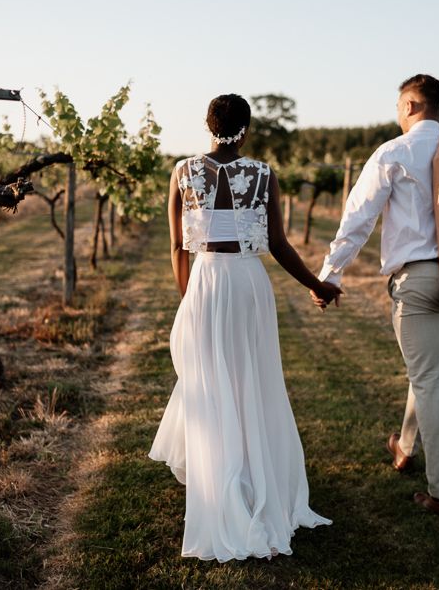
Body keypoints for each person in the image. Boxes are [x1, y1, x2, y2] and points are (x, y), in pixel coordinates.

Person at [149, 94, 339, 561]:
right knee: (253, 380)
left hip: (206, 282)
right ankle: (254, 483)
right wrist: (317, 284)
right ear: (247, 129)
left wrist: (189, 299)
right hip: (249, 283)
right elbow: (277, 243)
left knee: (212, 383)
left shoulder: (182, 172)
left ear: (208, 125)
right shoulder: (262, 174)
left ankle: (223, 483)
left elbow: (177, 247)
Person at [312, 74, 439, 519]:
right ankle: (404, 447)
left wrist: (330, 275)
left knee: (428, 379)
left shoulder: (394, 152)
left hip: (419, 282)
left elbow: (358, 219)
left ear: (409, 105)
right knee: (428, 369)